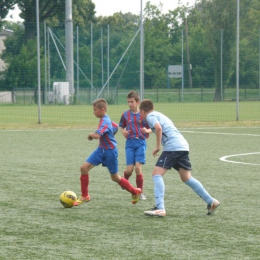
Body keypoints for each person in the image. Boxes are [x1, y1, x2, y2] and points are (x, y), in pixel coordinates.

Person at [139, 99, 220, 217]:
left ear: (142, 111)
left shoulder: (150, 116)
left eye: (140, 113)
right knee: (186, 178)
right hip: (182, 146)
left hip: (173, 147)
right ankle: (211, 201)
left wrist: (157, 146)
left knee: (156, 174)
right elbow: (160, 127)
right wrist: (148, 130)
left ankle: (160, 208)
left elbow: (159, 128)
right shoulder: (158, 114)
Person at [73, 98, 142, 207]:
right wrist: (108, 136)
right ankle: (85, 195)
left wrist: (91, 135)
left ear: (102, 109)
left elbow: (97, 135)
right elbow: (114, 127)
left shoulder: (105, 121)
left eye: (95, 110)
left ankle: (134, 191)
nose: (93, 112)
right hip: (101, 150)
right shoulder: (106, 120)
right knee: (83, 168)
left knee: (114, 177)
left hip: (110, 152)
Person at [119, 90, 151, 201]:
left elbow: (152, 128)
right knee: (129, 170)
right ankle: (125, 180)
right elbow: (121, 127)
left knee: (138, 168)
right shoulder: (125, 114)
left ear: (137, 102)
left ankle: (140, 192)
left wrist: (146, 130)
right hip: (129, 144)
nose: (130, 104)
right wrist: (123, 132)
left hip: (140, 143)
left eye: (132, 102)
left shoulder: (143, 115)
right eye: (128, 102)